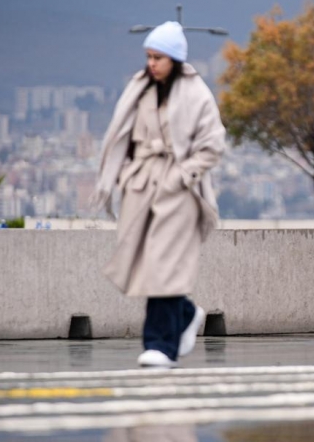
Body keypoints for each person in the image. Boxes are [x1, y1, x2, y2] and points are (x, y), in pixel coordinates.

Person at [92, 21, 226, 367]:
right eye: (149, 57)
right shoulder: (139, 89)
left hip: (179, 192)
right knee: (149, 265)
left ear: (176, 59)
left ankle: (160, 345)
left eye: (159, 58)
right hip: (141, 187)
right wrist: (123, 174)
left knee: (163, 268)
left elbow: (213, 144)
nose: (152, 64)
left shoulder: (196, 94)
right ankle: (186, 313)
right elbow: (121, 135)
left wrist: (181, 176)